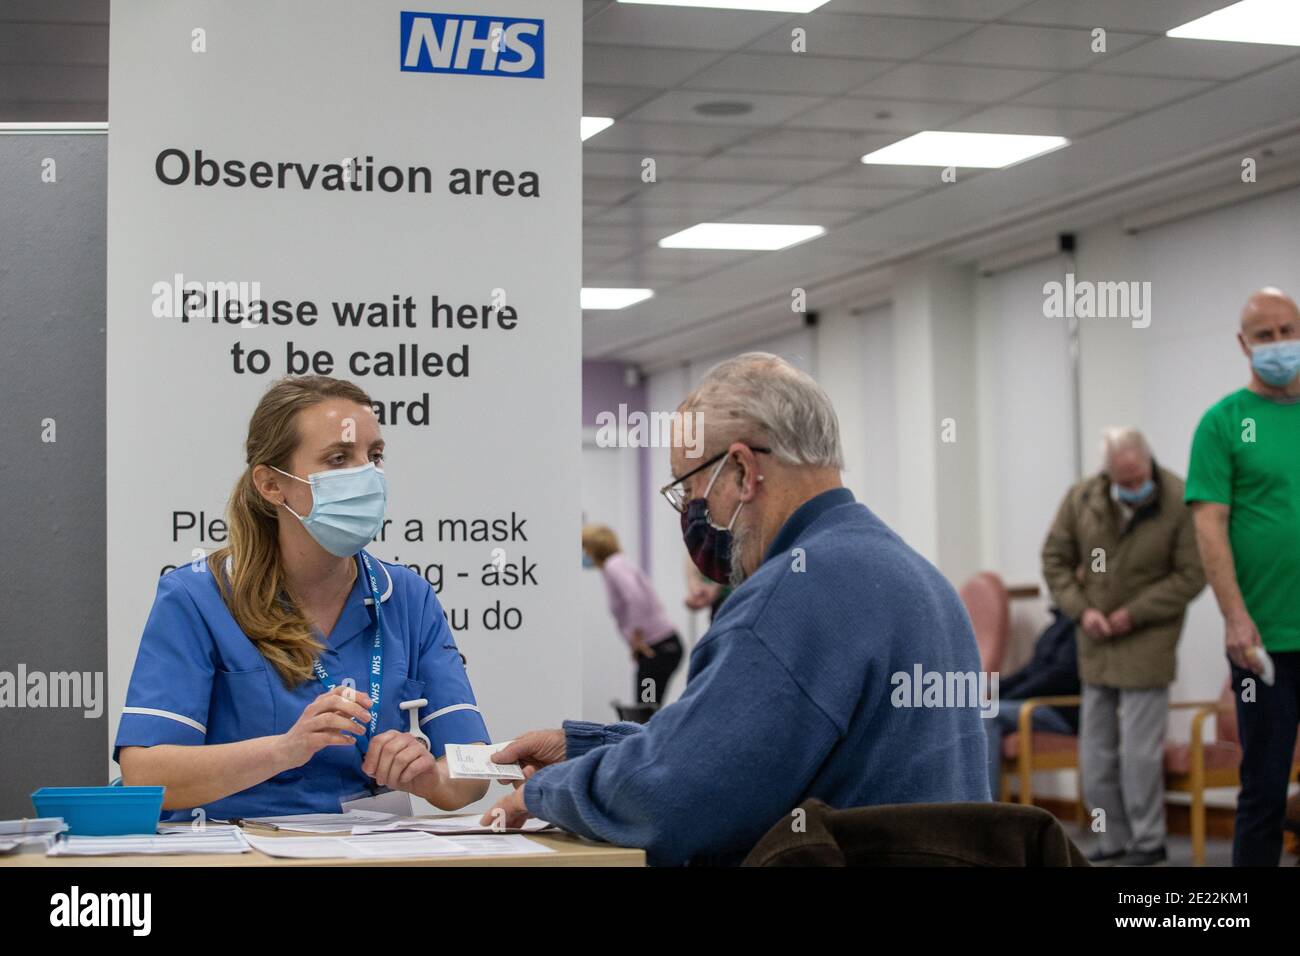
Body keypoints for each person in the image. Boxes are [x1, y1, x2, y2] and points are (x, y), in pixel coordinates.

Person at [482, 352, 990, 865]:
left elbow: (674, 800)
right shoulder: (919, 577)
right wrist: (587, 748)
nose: (689, 511)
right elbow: (733, 751)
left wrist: (549, 790)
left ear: (744, 470)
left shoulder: (788, 599)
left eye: (689, 487)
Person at [115, 375, 490, 820]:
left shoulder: (407, 596)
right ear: (272, 485)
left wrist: (433, 779)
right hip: (231, 850)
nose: (366, 476)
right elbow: (145, 773)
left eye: (374, 457)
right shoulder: (198, 596)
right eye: (338, 458)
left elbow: (475, 766)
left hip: (365, 849)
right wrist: (284, 750)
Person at [1042, 426, 1204, 866]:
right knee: (1094, 754)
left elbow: (1192, 573)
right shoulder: (1083, 501)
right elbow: (1055, 560)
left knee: (1139, 753)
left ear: (1149, 462)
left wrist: (1136, 612)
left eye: (1139, 478)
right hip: (1095, 642)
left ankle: (1149, 840)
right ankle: (1109, 837)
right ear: (1107, 474)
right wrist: (1081, 610)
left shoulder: (1178, 500)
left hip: (1148, 642)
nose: (1134, 488)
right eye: (1124, 481)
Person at [1186, 287, 1300, 866]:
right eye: (1265, 336)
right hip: (1264, 644)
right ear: (1243, 344)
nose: (1279, 344)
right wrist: (1235, 618)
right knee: (1264, 785)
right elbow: (1210, 527)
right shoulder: (1224, 424)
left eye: (1287, 331)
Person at [581, 523, 683, 714]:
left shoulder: (613, 566)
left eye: (583, 548)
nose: (582, 554)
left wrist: (637, 637)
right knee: (648, 708)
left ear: (593, 547)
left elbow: (635, 596)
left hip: (658, 648)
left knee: (646, 710)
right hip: (659, 647)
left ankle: (651, 743)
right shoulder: (617, 564)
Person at [985, 607, 1081, 798]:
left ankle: (984, 807)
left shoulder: (1078, 629)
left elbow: (1058, 678)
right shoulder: (1053, 628)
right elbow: (1028, 673)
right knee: (971, 711)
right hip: (1033, 705)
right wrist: (994, 689)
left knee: (987, 715)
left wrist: (1008, 697)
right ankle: (958, 800)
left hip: (1061, 711)